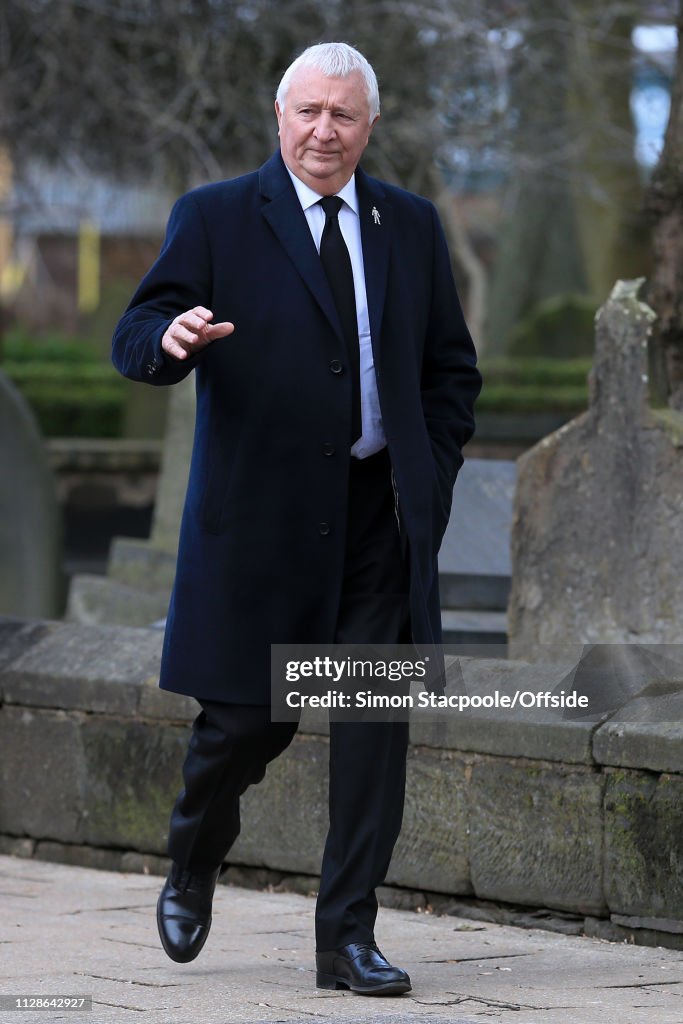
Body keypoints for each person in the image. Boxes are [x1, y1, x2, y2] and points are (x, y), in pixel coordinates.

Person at [112, 41, 481, 996]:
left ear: (368, 126)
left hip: (376, 523)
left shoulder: (409, 223)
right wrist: (172, 337)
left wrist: (425, 480)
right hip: (262, 524)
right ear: (280, 117)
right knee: (242, 725)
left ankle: (346, 941)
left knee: (369, 730)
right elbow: (135, 335)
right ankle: (194, 855)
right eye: (309, 112)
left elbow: (450, 371)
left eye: (343, 115)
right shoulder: (217, 217)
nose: (325, 131)